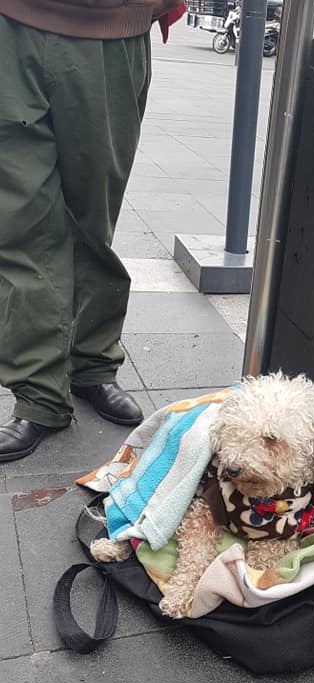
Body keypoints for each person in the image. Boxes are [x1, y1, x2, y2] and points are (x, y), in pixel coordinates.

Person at [0, 0, 178, 462]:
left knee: (93, 221)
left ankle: (92, 364)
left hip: (111, 30)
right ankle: (39, 395)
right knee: (21, 226)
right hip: (11, 24)